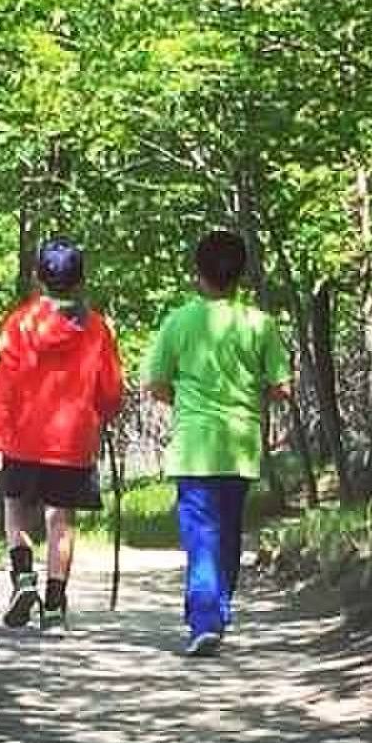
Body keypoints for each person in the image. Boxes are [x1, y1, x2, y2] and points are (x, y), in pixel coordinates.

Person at [144, 230, 291, 657]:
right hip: (240, 445)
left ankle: (206, 620)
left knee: (201, 536)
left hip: (193, 446)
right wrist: (252, 398)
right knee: (227, 534)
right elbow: (283, 386)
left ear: (198, 273)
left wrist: (184, 400)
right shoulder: (259, 324)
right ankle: (218, 612)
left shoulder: (179, 321)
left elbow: (155, 384)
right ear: (241, 274)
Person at [0, 238, 123, 634]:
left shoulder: (20, 324)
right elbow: (111, 389)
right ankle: (56, 606)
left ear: (37, 278)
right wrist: (103, 415)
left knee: (15, 508)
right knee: (61, 518)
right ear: (81, 281)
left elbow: (0, 386)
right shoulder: (95, 328)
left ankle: (23, 579)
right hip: (72, 440)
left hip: (23, 436)